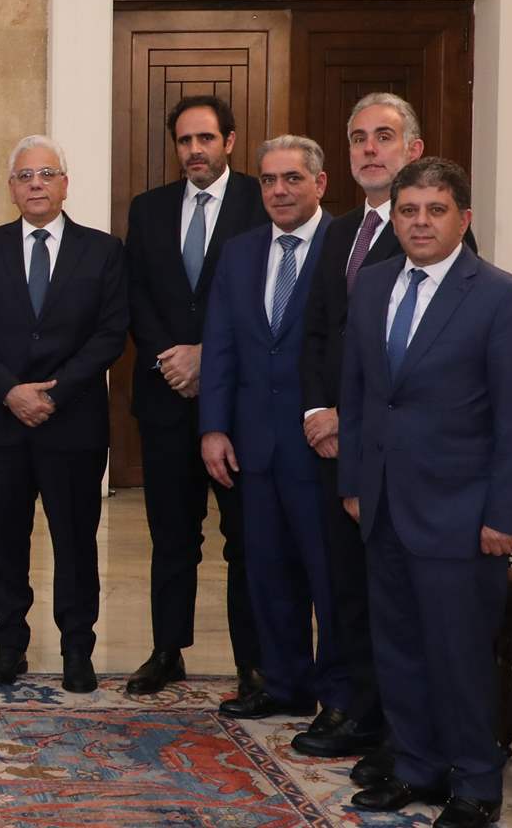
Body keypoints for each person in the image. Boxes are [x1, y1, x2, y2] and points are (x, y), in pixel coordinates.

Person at [340, 158, 512, 828]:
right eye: (408, 210)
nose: (420, 222)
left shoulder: (503, 298)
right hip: (383, 507)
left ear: (463, 218)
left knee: (459, 656)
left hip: (463, 515)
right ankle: (416, 766)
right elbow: (360, 392)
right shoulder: (373, 286)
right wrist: (354, 484)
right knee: (398, 648)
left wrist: (505, 514)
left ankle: (476, 783)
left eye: (436, 210)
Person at [295, 92, 473, 775]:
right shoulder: (340, 231)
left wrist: (353, 419)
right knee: (347, 586)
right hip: (335, 448)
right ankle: (357, 708)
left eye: (384, 136)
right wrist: (318, 412)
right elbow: (319, 333)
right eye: (358, 138)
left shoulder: (440, 238)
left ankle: (399, 733)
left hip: (398, 456)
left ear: (413, 150)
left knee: (397, 603)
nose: (369, 149)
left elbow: (431, 360)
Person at [0, 135, 127, 694]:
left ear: (65, 184)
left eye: (47, 174)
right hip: (0, 422)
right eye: (25, 176)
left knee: (75, 542)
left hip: (72, 423)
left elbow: (110, 334)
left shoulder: (102, 251)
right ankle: (9, 646)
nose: (36, 184)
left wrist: (54, 393)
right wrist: (10, 391)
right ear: (11, 188)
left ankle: (78, 648)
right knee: (2, 542)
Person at [121, 95, 268, 697]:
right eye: (184, 140)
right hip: (165, 397)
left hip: (239, 404)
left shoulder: (262, 201)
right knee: (171, 537)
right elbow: (136, 294)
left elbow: (268, 298)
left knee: (246, 539)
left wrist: (209, 356)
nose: (195, 151)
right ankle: (167, 651)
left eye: (206, 138)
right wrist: (172, 358)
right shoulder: (149, 208)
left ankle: (253, 662)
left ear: (229, 141)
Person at [197, 135, 344, 726]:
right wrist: (213, 427)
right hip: (253, 444)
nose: (279, 191)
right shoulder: (239, 252)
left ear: (320, 183)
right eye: (268, 180)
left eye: (292, 178)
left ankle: (339, 698)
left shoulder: (346, 246)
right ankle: (284, 684)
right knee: (267, 571)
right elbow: (221, 344)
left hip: (321, 445)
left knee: (328, 578)